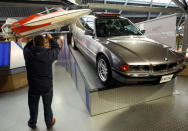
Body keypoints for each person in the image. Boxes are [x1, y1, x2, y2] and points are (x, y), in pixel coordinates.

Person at [23, 33, 60, 129]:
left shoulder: (28, 54)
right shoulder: (48, 54)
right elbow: (56, 48)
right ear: (44, 44)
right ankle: (49, 122)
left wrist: (34, 38)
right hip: (46, 86)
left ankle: (32, 123)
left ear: (34, 43)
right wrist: (51, 38)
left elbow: (27, 46)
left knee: (33, 106)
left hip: (33, 86)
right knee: (47, 105)